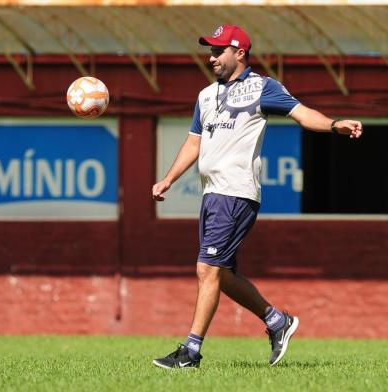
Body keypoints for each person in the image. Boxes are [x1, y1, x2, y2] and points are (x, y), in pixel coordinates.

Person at [151, 25, 363, 369]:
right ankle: (277, 321)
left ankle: (190, 352)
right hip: (211, 194)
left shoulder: (262, 87)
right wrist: (168, 179)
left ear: (240, 53)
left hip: (236, 193)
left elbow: (302, 113)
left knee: (207, 269)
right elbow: (194, 142)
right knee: (221, 275)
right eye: (210, 51)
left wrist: (334, 124)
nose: (212, 57)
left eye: (219, 51)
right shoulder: (205, 95)